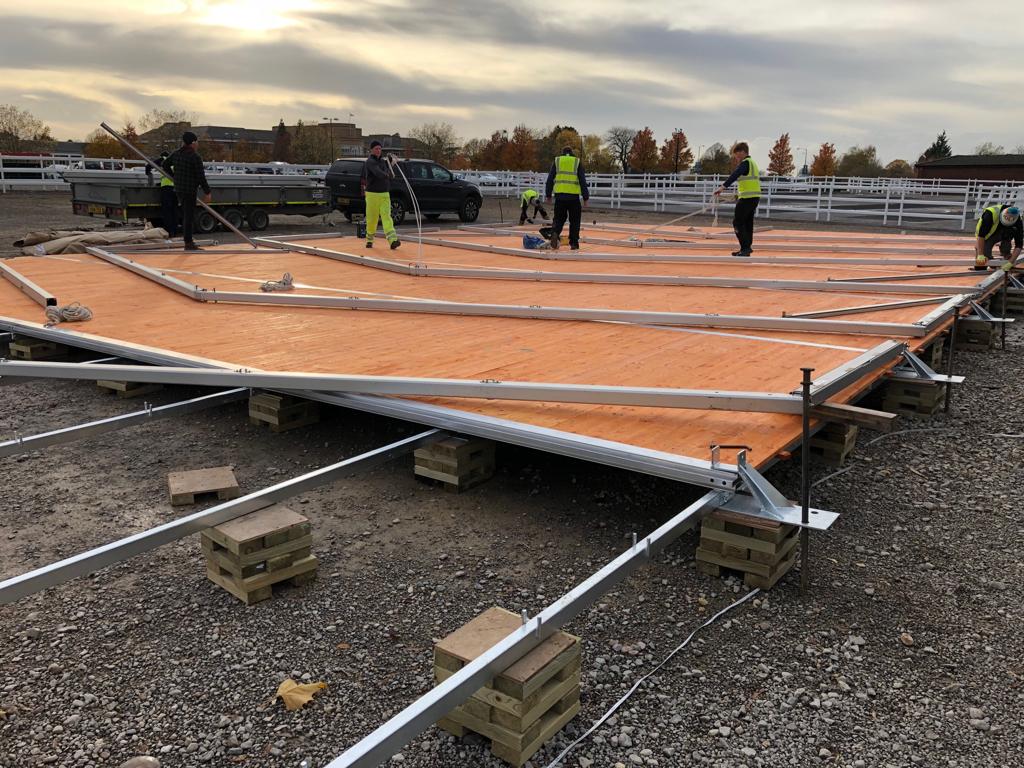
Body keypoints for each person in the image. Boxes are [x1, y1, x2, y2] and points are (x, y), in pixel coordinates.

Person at [163, 132, 211, 251]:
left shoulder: (176, 154)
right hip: (189, 189)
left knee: (186, 215)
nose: (197, 144)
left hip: (179, 189)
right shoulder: (195, 157)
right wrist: (207, 192)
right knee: (188, 216)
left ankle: (188, 241)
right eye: (197, 142)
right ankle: (188, 243)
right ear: (193, 143)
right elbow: (201, 176)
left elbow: (165, 164)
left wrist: (174, 177)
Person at [713, 142, 761, 257]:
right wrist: (737, 195)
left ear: (743, 152)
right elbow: (748, 182)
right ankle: (746, 248)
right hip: (753, 197)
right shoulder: (752, 163)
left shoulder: (745, 163)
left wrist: (722, 187)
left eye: (737, 154)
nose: (736, 157)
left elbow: (735, 174)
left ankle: (745, 248)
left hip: (747, 198)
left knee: (738, 222)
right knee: (748, 223)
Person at [544, 146, 589, 250]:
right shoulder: (576, 162)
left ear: (562, 153)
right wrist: (585, 198)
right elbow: (582, 180)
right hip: (573, 198)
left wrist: (548, 195)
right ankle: (574, 243)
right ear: (571, 152)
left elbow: (550, 178)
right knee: (575, 221)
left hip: (560, 197)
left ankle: (555, 232)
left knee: (559, 219)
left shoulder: (557, 161)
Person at [361, 140, 400, 250]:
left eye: (379, 148)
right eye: (376, 149)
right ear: (371, 150)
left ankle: (393, 240)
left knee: (387, 217)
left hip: (384, 194)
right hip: (372, 194)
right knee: (372, 218)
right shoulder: (369, 162)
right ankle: (369, 240)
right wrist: (387, 175)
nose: (378, 150)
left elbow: (387, 169)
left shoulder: (383, 161)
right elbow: (378, 173)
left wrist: (392, 162)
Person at [973, 204, 1022, 270]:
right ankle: (985, 263)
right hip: (988, 234)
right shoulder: (990, 214)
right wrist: (980, 254)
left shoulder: (1018, 222)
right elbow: (981, 235)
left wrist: (1011, 262)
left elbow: (1019, 244)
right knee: (982, 261)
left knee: (1009, 234)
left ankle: (1006, 254)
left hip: (1005, 234)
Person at [150, 151, 178, 239]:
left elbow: (149, 166)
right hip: (175, 189)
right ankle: (174, 230)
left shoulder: (163, 160)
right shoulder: (175, 162)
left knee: (167, 211)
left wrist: (148, 173)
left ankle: (169, 231)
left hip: (167, 189)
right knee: (174, 211)